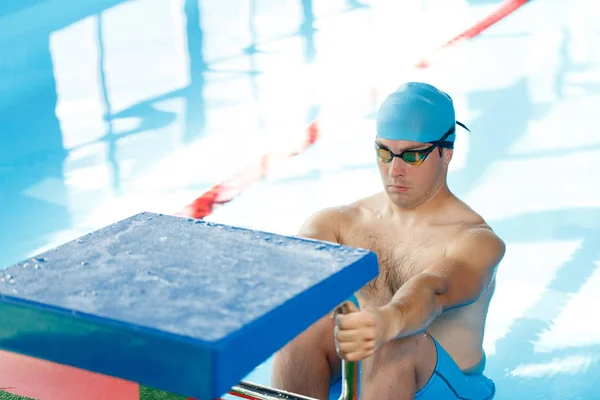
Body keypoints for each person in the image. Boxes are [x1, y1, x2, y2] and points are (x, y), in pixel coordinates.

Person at [271, 82, 505, 400]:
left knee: (396, 341)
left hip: (444, 388)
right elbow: (293, 265)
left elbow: (431, 289)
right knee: (302, 327)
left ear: (445, 152)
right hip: (364, 378)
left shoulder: (475, 241)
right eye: (385, 153)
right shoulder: (338, 223)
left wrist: (390, 320)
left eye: (412, 156)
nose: (394, 170)